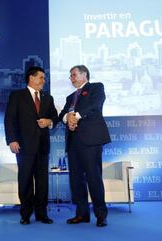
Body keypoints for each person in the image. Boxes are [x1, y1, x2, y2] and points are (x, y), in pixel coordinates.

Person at [58, 65, 111, 227]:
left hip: (91, 141)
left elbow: (95, 106)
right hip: (73, 143)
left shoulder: (96, 88)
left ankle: (101, 215)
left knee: (93, 178)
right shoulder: (70, 97)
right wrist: (68, 117)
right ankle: (82, 214)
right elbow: (61, 116)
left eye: (73, 74)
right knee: (76, 180)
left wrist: (76, 116)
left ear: (84, 75)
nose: (71, 78)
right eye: (70, 76)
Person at [4, 66, 58, 225]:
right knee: (25, 181)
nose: (44, 80)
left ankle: (42, 214)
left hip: (42, 147)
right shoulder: (17, 96)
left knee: (42, 182)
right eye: (41, 77)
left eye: (44, 77)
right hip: (23, 146)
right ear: (31, 78)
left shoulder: (48, 98)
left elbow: (54, 117)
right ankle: (25, 214)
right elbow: (9, 119)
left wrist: (49, 121)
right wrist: (12, 140)